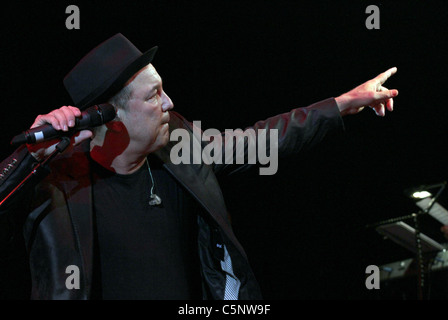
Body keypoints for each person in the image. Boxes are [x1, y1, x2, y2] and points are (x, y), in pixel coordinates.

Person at [0, 33, 398, 300]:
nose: (170, 103)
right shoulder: (54, 181)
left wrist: (344, 103)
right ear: (111, 115)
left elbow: (263, 139)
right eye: (154, 95)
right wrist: (27, 159)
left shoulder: (181, 150)